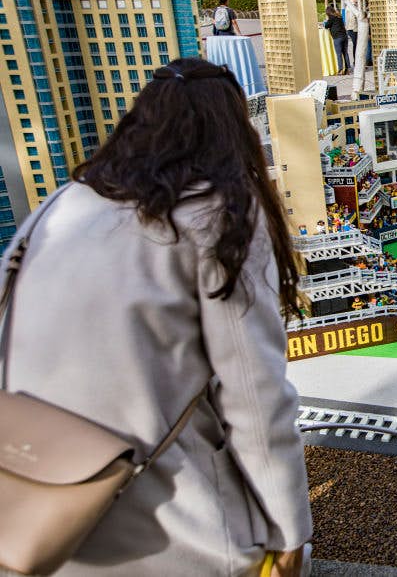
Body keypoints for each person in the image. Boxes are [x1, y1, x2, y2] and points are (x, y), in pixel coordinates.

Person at [0, 58, 312, 575]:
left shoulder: (60, 204)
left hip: (43, 505)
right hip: (172, 523)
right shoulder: (220, 213)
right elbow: (255, 398)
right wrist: (290, 530)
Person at [323, 6, 350, 76]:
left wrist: (326, 22)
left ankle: (340, 70)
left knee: (339, 54)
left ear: (328, 13)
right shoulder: (339, 16)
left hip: (337, 38)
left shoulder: (331, 18)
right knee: (345, 53)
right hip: (344, 36)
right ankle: (348, 69)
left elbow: (326, 26)